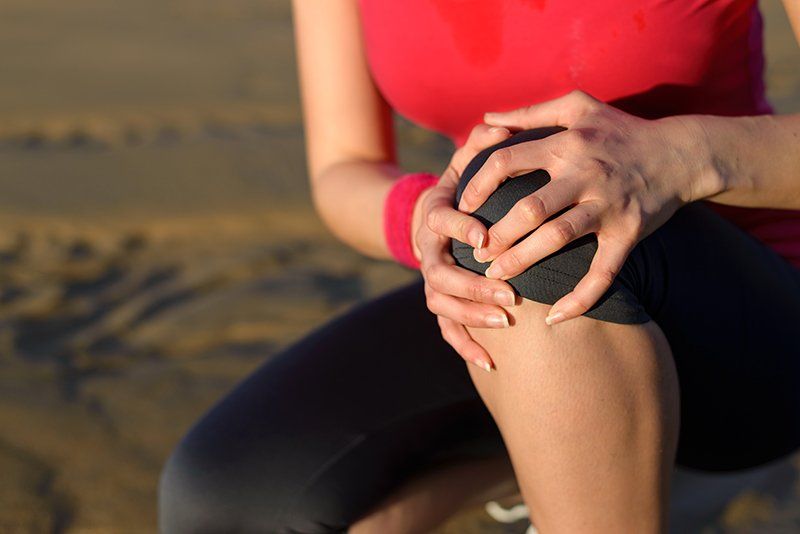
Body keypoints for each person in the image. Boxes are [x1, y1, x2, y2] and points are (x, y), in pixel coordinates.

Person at [158, 0, 800, 532]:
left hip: (759, 337)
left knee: (529, 207)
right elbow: (342, 167)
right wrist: (424, 218)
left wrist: (680, 158)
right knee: (229, 504)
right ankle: (567, 456)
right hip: (510, 285)